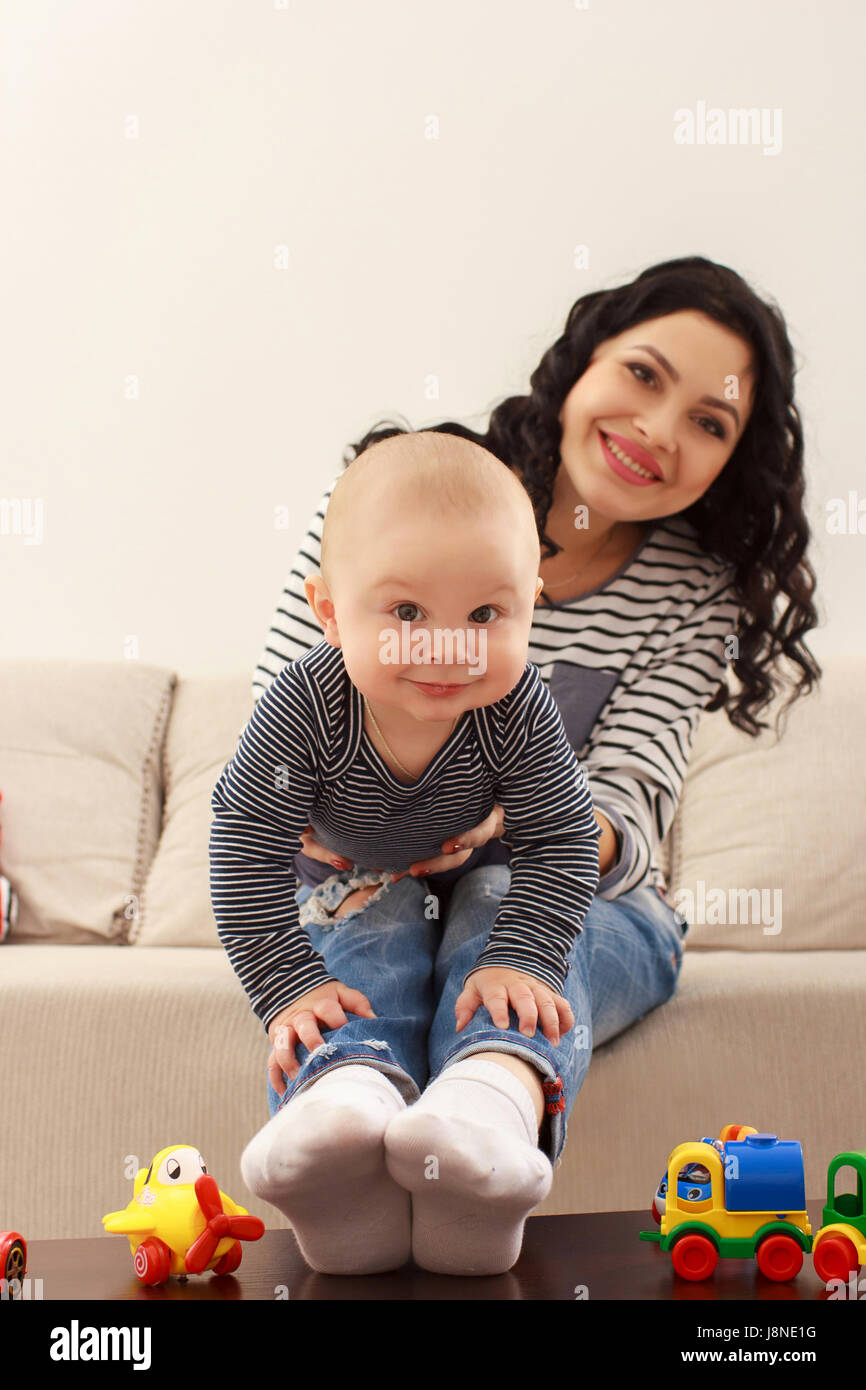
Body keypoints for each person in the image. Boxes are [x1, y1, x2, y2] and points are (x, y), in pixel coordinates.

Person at [238, 255, 822, 1277]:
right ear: (580, 362)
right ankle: (342, 1120)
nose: (656, 431)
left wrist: (501, 832)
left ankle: (492, 1104)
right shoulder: (403, 484)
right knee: (376, 912)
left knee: (504, 887)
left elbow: (622, 803)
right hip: (362, 870)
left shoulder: (693, 591)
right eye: (641, 375)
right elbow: (285, 712)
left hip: (578, 888)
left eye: (707, 421)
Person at [211, 430, 605, 1276]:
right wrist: (286, 984)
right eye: (406, 614)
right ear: (328, 612)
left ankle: (481, 1124)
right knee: (369, 945)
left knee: (497, 923)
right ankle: (342, 1113)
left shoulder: (516, 706)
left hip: (474, 862)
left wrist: (526, 958)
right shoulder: (307, 705)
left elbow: (561, 836)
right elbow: (244, 841)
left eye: (486, 616)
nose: (447, 648)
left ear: (531, 606)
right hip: (353, 872)